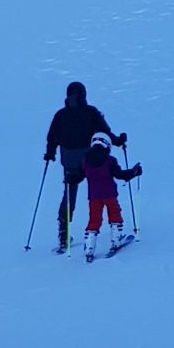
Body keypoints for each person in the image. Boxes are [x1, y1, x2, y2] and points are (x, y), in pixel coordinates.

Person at [44, 82, 125, 253]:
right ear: (84, 94)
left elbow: (52, 137)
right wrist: (118, 141)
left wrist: (50, 153)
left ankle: (64, 234)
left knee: (69, 194)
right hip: (91, 159)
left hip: (69, 160)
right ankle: (112, 227)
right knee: (101, 190)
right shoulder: (91, 112)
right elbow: (104, 132)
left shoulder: (61, 115)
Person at [80, 132, 143, 259]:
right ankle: (116, 239)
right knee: (114, 213)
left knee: (94, 219)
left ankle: (89, 247)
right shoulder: (110, 160)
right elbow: (119, 175)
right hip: (109, 194)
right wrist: (134, 172)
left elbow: (77, 176)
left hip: (94, 196)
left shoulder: (85, 161)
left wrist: (70, 177)